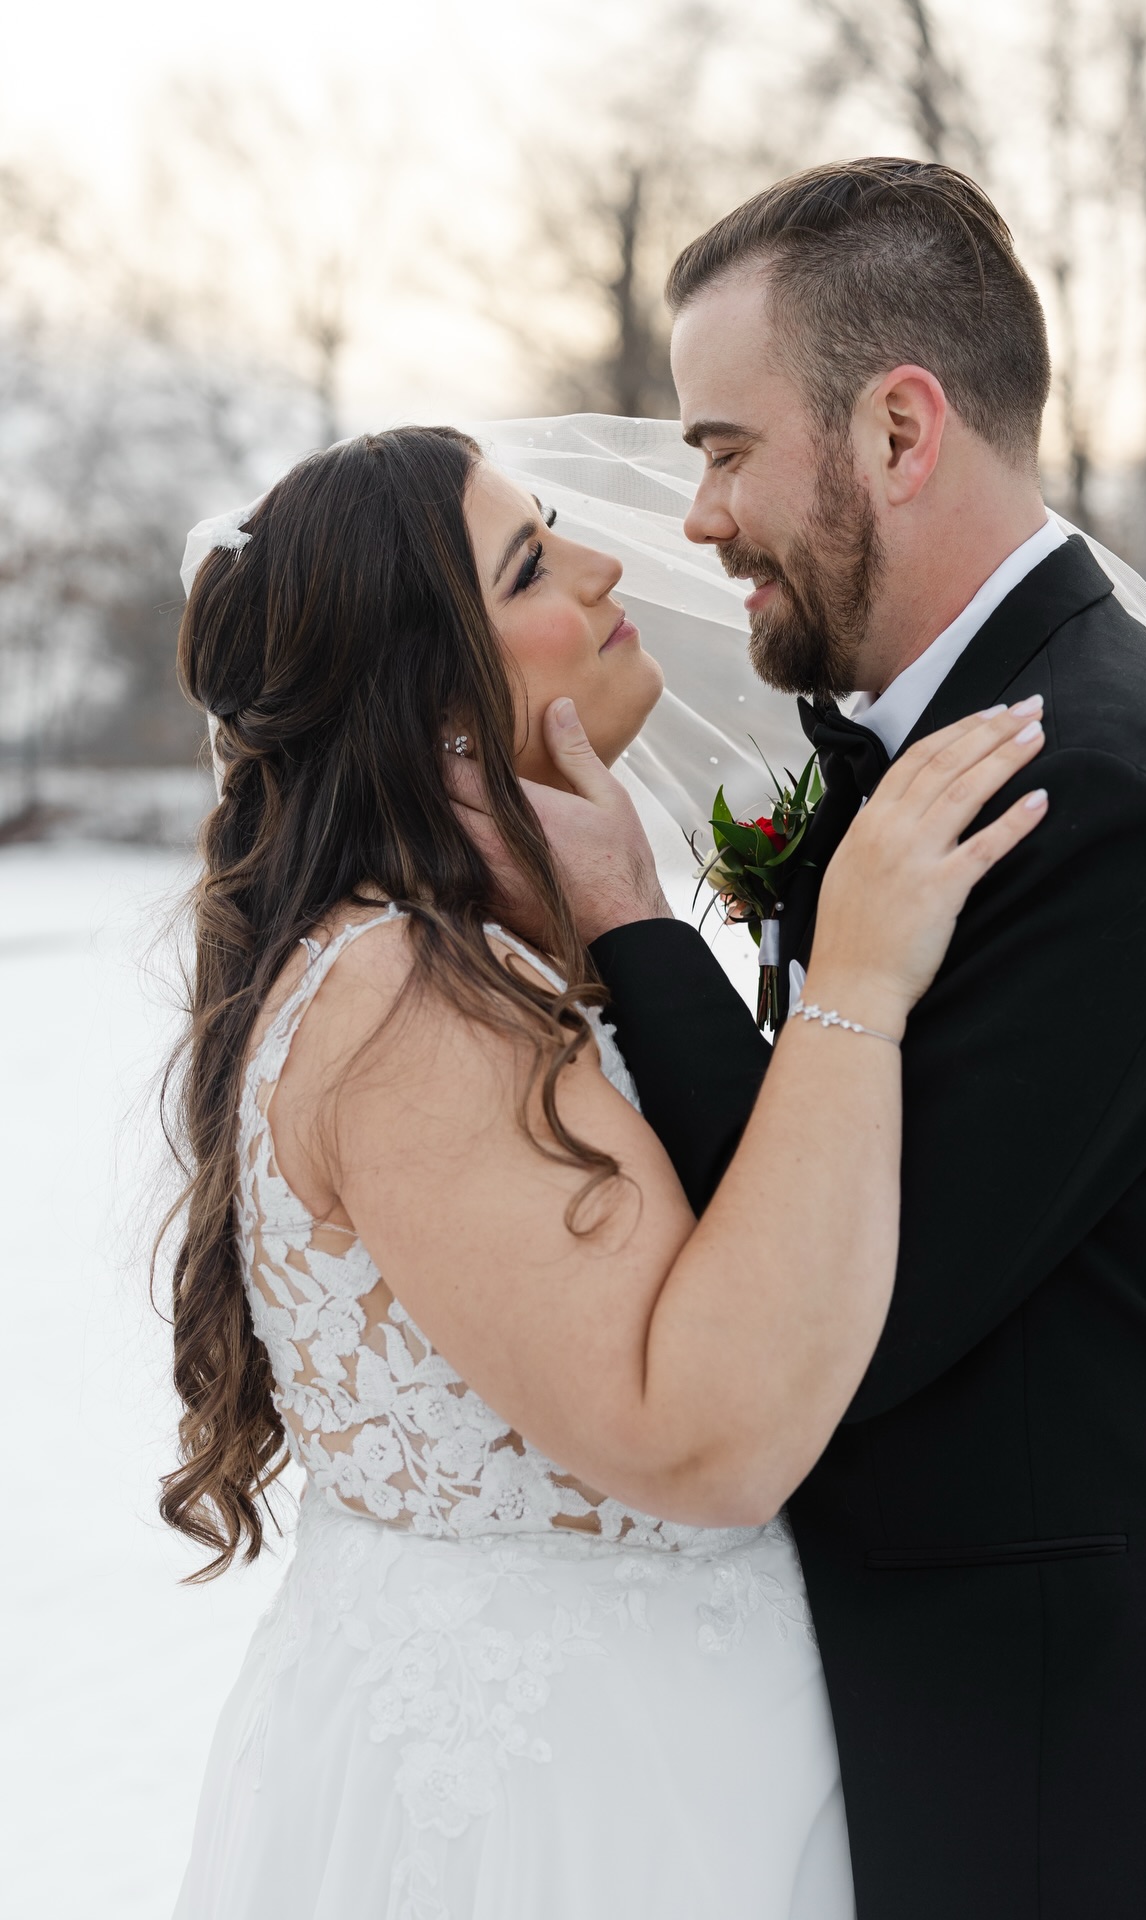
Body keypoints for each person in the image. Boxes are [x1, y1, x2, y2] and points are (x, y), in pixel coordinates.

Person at [522, 160, 1146, 1918]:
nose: (701, 515)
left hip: (1057, 1775)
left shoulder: (1096, 793)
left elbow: (833, 1312)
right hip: (929, 1726)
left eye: (724, 449)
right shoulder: (946, 748)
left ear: (897, 431)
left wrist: (637, 928)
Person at [162, 423, 1048, 1919]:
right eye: (533, 564)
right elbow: (702, 1440)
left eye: (558, 524)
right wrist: (860, 983)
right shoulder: (405, 1002)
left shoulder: (471, 963)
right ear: (443, 711)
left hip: (670, 1769)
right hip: (573, 1820)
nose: (609, 562)